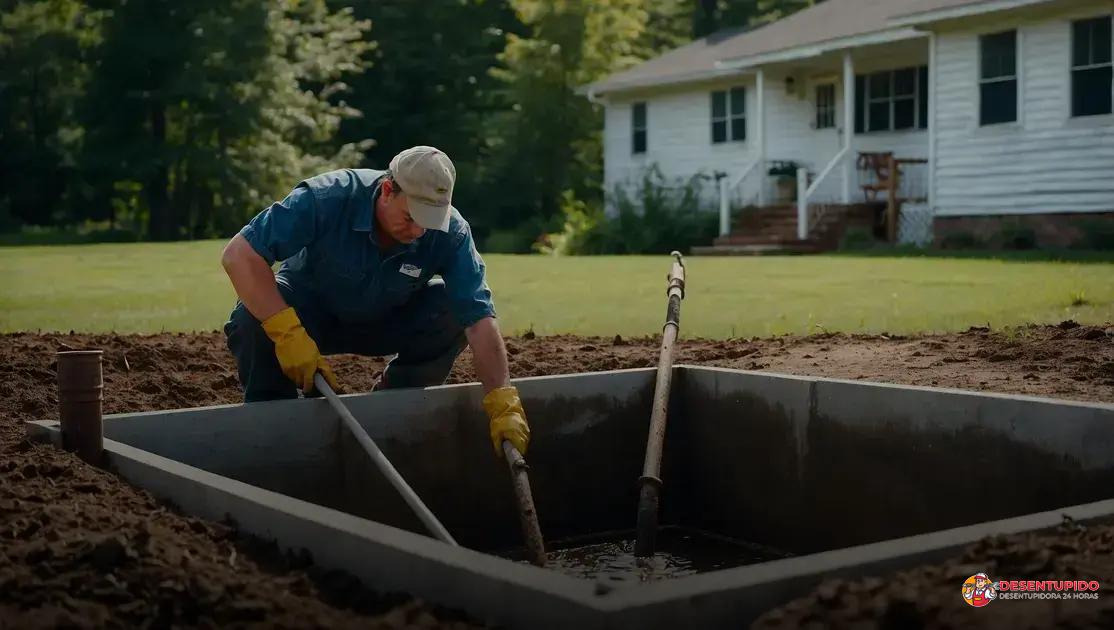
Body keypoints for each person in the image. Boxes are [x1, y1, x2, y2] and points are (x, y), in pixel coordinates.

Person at [220, 146, 529, 458]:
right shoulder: (327, 198)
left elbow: (479, 318)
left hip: (387, 319)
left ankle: (395, 407)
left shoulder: (452, 234)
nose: (418, 231)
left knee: (451, 307)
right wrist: (287, 332)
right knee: (251, 315)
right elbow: (239, 255)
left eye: (430, 222)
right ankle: (273, 422)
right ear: (386, 190)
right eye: (411, 217)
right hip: (307, 319)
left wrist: (503, 400)